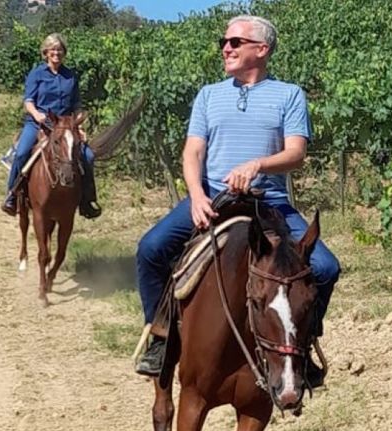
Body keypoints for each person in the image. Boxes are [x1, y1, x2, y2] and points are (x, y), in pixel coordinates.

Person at [134, 15, 341, 380]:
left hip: (269, 202)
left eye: (234, 42)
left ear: (261, 50)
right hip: (215, 196)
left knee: (325, 268)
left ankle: (302, 347)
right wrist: (197, 196)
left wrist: (258, 164)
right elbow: (193, 152)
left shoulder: (288, 95)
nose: (225, 48)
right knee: (151, 248)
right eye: (224, 43)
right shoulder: (209, 95)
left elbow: (296, 153)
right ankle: (160, 336)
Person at [1, 33, 101, 219]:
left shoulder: (70, 76)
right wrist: (37, 114)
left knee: (88, 156)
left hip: (64, 126)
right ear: (46, 52)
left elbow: (77, 105)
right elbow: (28, 101)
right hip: (39, 123)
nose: (56, 53)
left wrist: (78, 123)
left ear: (64, 53)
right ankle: (12, 195)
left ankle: (87, 200)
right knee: (22, 153)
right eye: (53, 50)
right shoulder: (37, 74)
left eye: (60, 50)